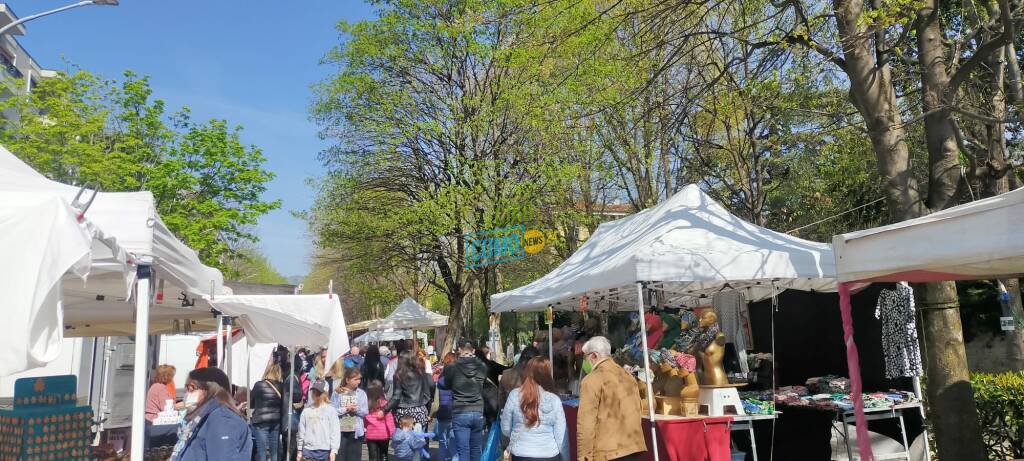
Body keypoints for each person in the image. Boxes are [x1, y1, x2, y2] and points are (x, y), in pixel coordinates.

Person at [577, 337, 645, 461]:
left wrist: (584, 456)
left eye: (585, 357)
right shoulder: (627, 375)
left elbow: (586, 423)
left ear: (594, 356)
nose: (585, 361)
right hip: (631, 447)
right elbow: (638, 409)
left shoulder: (591, 380)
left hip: (607, 451)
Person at [170, 367, 252, 461]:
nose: (187, 394)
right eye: (187, 389)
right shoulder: (206, 416)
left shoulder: (222, 419)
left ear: (209, 389)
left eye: (191, 388)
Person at [501, 357, 566, 461]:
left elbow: (505, 428)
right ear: (547, 375)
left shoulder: (514, 395)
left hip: (521, 453)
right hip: (549, 454)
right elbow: (561, 436)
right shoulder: (554, 400)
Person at [443, 339, 488, 461]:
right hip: (478, 410)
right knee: (476, 449)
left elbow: (446, 385)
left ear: (459, 350)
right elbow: (482, 383)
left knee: (463, 450)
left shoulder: (451, 368)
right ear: (473, 350)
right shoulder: (483, 367)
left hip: (460, 410)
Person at [384, 351, 435, 433]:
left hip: (403, 412)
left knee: (404, 440)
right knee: (420, 440)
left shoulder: (398, 375)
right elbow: (430, 389)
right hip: (420, 410)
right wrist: (427, 408)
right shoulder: (422, 374)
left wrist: (385, 409)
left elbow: (396, 396)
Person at [296, 379, 340, 461]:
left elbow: (335, 432)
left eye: (318, 392)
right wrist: (299, 450)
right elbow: (301, 431)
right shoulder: (307, 411)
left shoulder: (331, 411)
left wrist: (333, 450)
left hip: (324, 451)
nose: (315, 395)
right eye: (313, 392)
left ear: (325, 394)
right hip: (308, 450)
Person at [331, 367, 368, 461]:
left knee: (354, 458)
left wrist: (356, 409)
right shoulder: (337, 393)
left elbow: (365, 412)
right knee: (340, 457)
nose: (358, 382)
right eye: (355, 379)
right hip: (340, 431)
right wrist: (345, 409)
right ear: (347, 379)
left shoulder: (361, 393)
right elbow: (331, 411)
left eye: (359, 379)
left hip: (356, 431)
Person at [251, 363, 286, 461]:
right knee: (274, 451)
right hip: (276, 420)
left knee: (262, 452)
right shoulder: (281, 386)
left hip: (260, 421)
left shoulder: (259, 384)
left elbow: (251, 402)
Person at [145, 364, 179, 449]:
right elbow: (166, 407)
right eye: (172, 375)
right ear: (167, 376)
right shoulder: (161, 388)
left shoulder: (155, 386)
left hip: (149, 420)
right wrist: (183, 405)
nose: (172, 378)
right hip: (155, 422)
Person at [499, 346, 540, 411]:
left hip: (509, 413)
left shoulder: (505, 374)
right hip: (528, 414)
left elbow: (501, 401)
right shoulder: (534, 376)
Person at [363, 380, 396, 461]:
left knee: (372, 456)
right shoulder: (384, 403)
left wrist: (364, 430)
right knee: (384, 454)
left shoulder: (366, 404)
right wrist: (393, 432)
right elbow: (389, 419)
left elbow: (364, 419)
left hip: (371, 434)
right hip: (384, 434)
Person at [434, 353, 458, 461]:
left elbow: (436, 400)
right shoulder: (458, 379)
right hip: (454, 414)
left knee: (442, 442)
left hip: (442, 414)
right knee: (453, 443)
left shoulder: (440, 379)